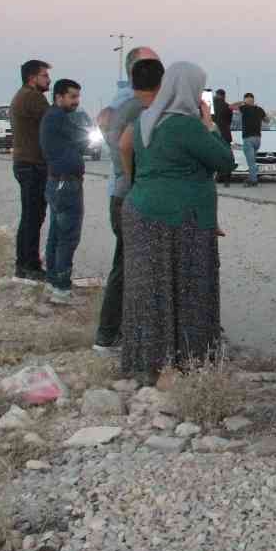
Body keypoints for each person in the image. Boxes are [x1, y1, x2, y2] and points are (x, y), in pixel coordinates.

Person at [121, 62, 236, 379]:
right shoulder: (185, 125)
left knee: (152, 294)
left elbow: (130, 153)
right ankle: (188, 365)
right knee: (189, 291)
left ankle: (148, 365)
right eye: (198, 88)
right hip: (176, 220)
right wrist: (210, 124)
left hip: (144, 214)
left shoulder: (147, 120)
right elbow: (225, 161)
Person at [100, 54, 163, 354]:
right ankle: (114, 336)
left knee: (125, 267)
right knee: (130, 270)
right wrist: (137, 180)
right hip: (131, 195)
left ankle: (113, 334)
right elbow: (125, 147)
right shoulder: (141, 109)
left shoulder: (123, 105)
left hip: (122, 193)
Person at [38, 79, 87, 305]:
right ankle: (61, 288)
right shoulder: (58, 117)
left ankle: (53, 281)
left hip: (58, 182)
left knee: (57, 234)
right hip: (66, 185)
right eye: (72, 97)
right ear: (59, 97)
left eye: (77, 97)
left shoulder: (54, 116)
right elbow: (82, 138)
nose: (76, 102)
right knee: (67, 237)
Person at [10, 59, 53, 282]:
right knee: (32, 217)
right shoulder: (32, 97)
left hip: (27, 164)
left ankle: (26, 264)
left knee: (31, 216)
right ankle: (28, 266)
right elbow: (55, 120)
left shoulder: (25, 95)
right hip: (31, 165)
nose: (49, 80)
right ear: (32, 78)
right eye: (44, 75)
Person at [237, 93, 268, 187]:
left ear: (246, 100)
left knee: (251, 162)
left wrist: (243, 102)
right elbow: (267, 120)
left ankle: (253, 180)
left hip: (248, 138)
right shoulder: (259, 109)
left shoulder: (244, 108)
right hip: (258, 139)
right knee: (253, 161)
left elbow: (231, 106)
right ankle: (251, 177)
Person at [212, 88, 234, 186]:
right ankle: (227, 179)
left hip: (213, 134)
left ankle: (214, 176)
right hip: (225, 134)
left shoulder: (210, 106)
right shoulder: (227, 106)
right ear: (224, 96)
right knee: (226, 156)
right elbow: (229, 121)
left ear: (216, 95)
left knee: (212, 155)